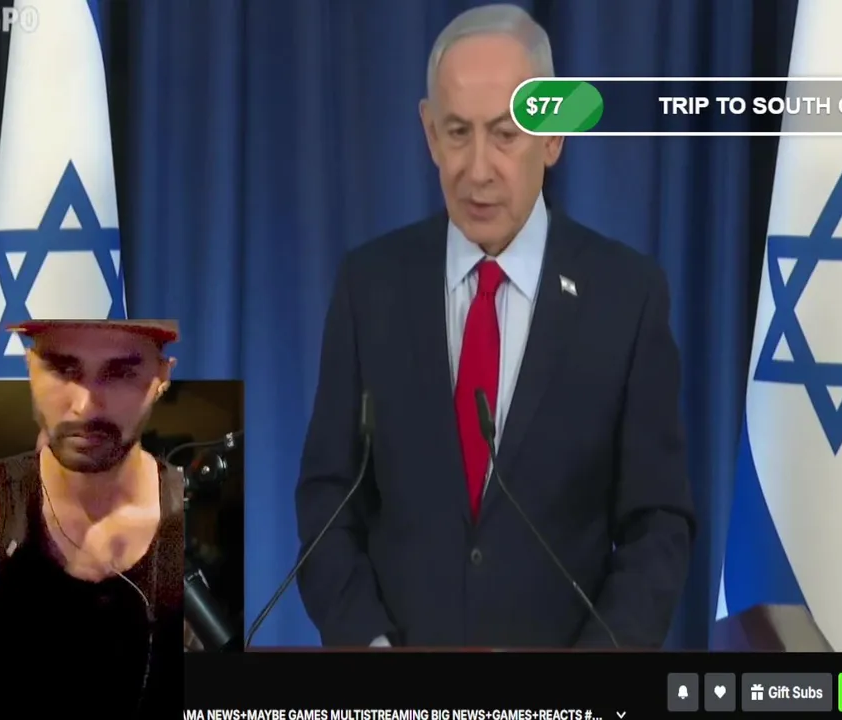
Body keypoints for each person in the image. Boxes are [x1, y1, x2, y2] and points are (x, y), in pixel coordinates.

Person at [296, 4, 694, 649]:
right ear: (430, 133)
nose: (477, 169)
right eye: (458, 132)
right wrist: (367, 645)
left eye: (505, 134)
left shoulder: (626, 297)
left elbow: (659, 526)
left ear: (553, 138)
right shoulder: (370, 286)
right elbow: (327, 501)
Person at [0, 319, 185, 718]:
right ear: (30, 368)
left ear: (162, 377)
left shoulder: (189, 515)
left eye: (120, 373)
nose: (85, 405)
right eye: (62, 369)